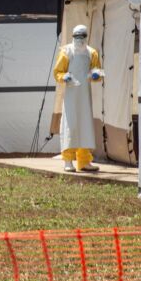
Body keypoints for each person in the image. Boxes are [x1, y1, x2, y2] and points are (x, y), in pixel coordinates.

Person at [53, 24, 103, 173]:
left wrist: (96, 75)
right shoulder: (66, 51)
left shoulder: (92, 53)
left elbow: (97, 71)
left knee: (85, 126)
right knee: (70, 126)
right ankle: (68, 160)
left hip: (85, 96)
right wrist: (64, 77)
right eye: (77, 36)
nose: (79, 40)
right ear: (73, 37)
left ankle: (84, 161)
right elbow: (57, 72)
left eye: (82, 36)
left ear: (86, 37)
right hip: (71, 96)